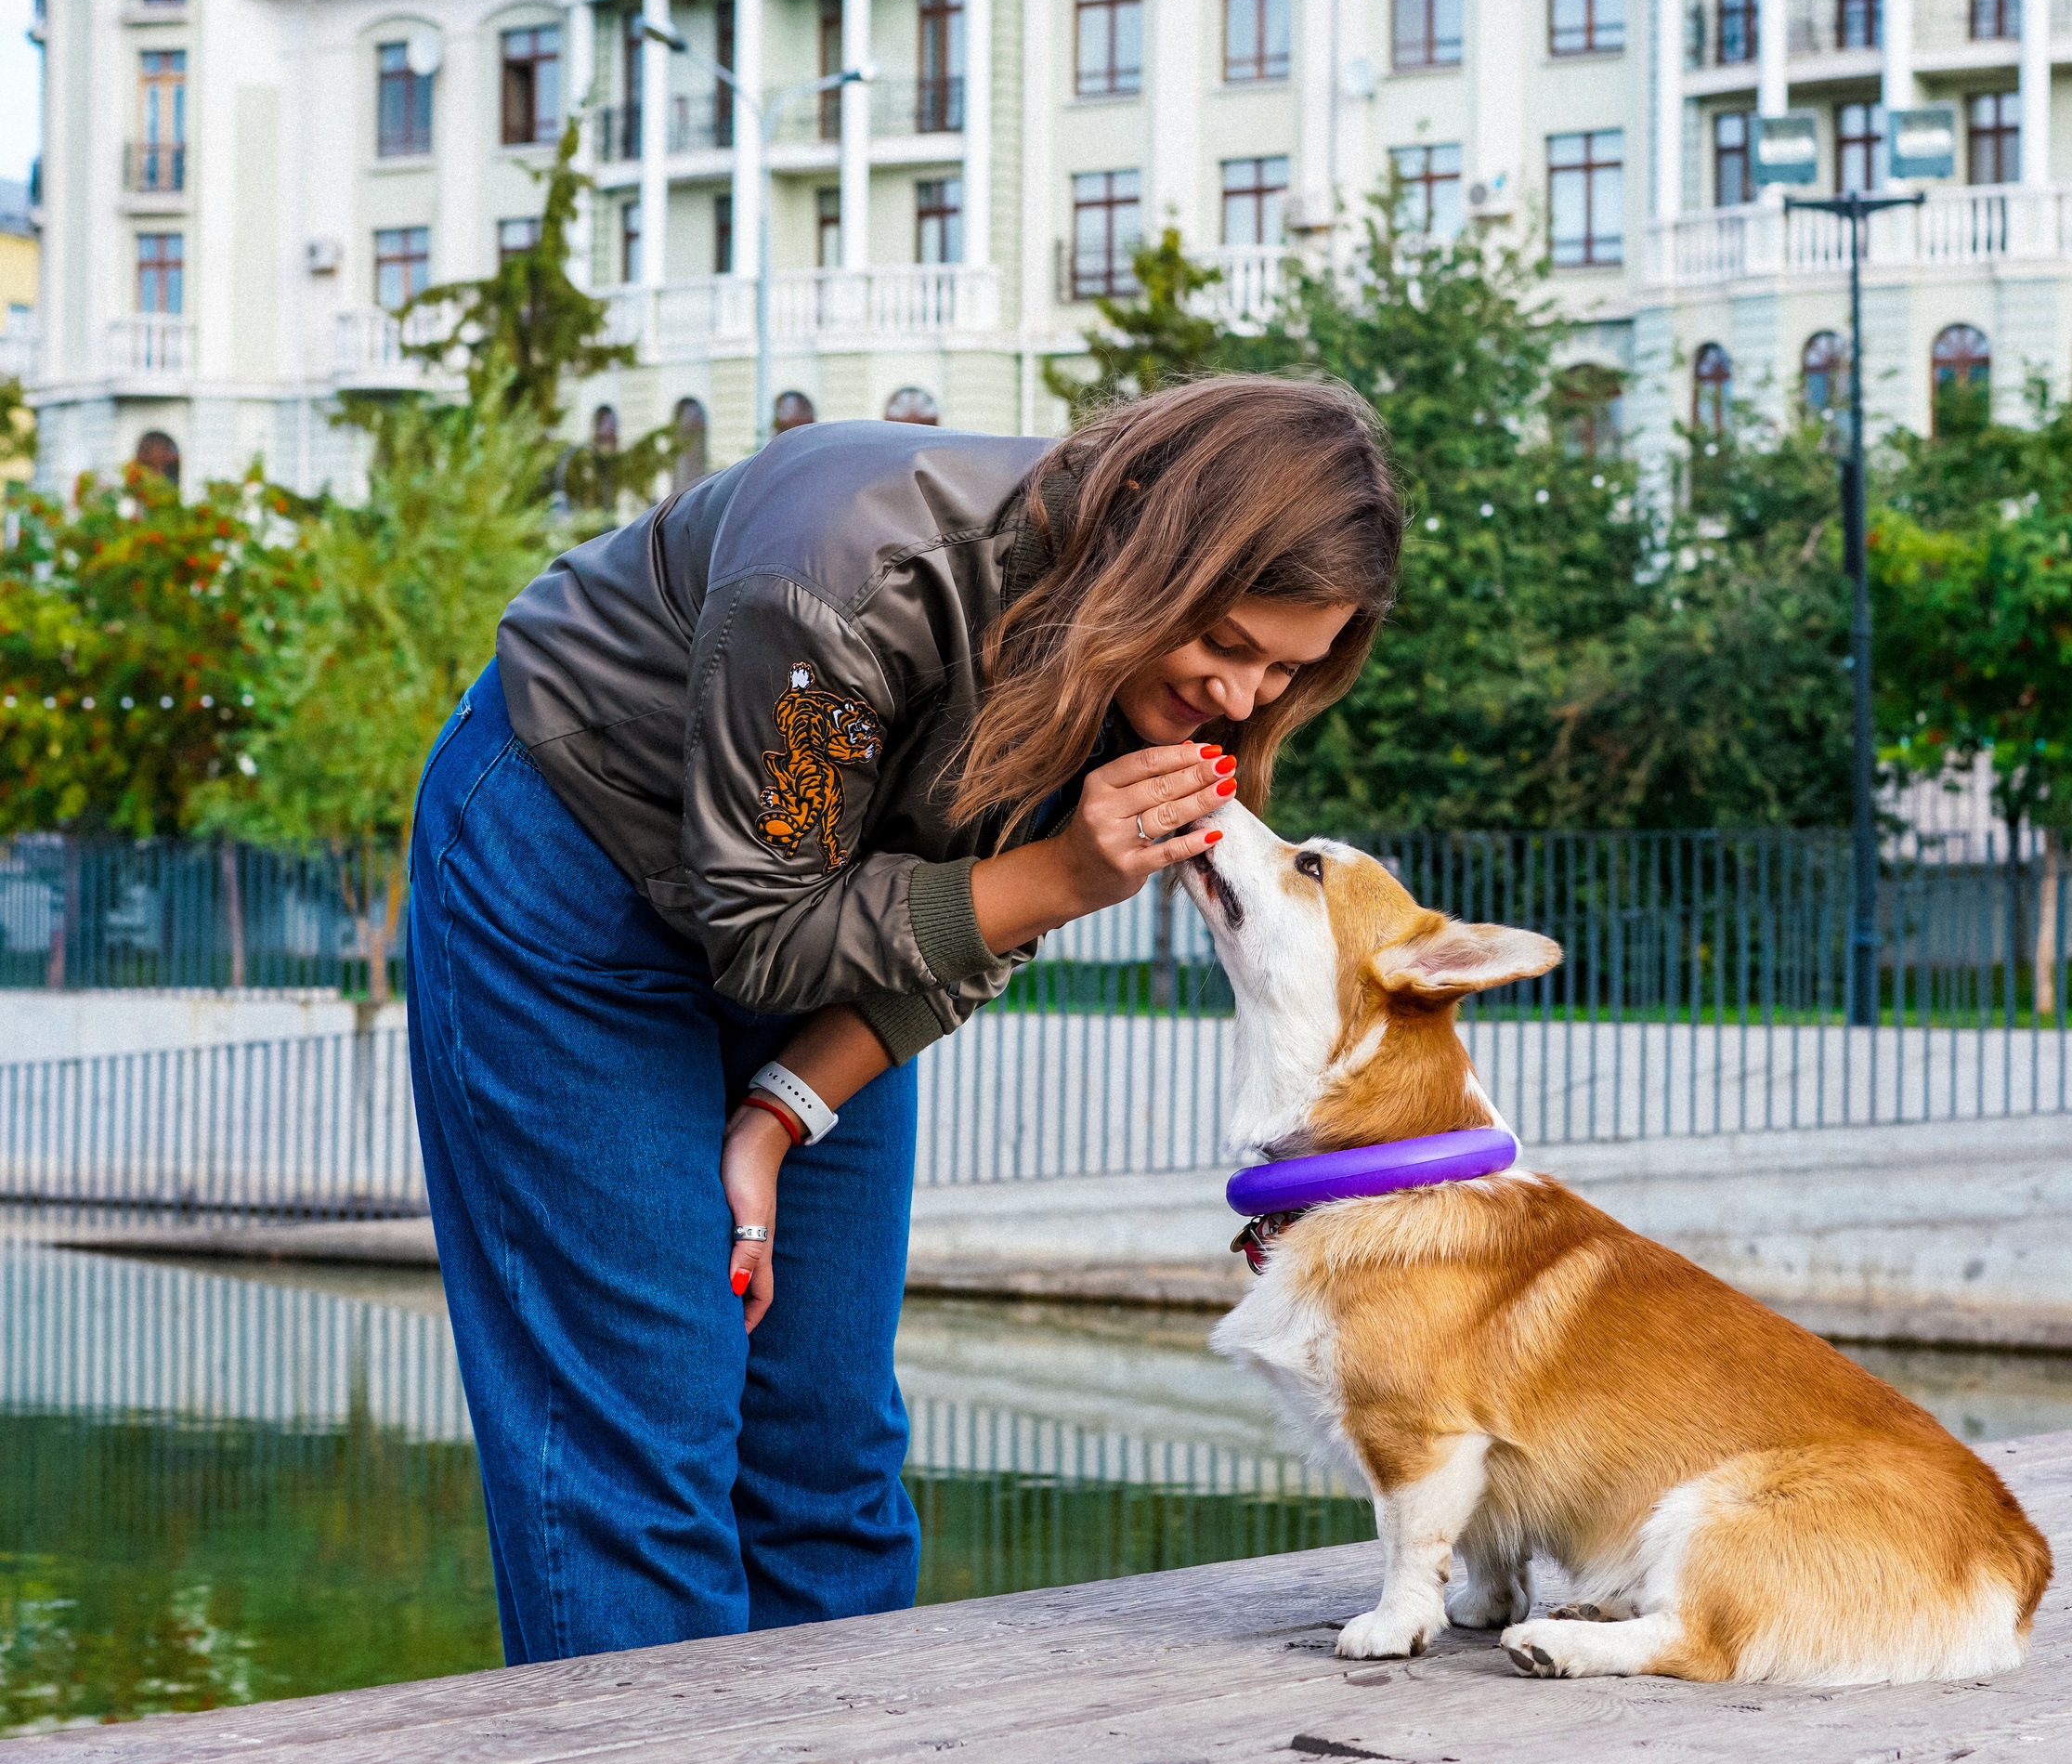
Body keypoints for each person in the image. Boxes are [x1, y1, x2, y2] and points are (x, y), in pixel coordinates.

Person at [405, 375, 1402, 1663]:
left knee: (830, 1449)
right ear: (1151, 548)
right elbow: (772, 931)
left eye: (1287, 670)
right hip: (572, 863)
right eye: (1226, 642)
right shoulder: (839, 575)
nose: (1245, 697)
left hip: (819, 909)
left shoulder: (1156, 675)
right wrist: (1063, 876)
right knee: (647, 1433)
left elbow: (963, 932)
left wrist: (781, 1112)